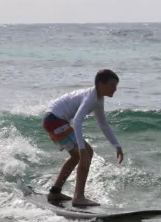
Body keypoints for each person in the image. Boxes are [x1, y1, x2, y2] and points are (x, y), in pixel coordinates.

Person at [41, 69, 124, 207]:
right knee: (87, 152)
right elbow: (77, 121)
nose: (115, 89)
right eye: (112, 85)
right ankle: (78, 197)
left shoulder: (98, 99)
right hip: (55, 120)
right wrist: (82, 149)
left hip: (52, 120)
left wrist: (117, 145)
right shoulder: (90, 97)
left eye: (116, 85)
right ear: (100, 83)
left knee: (76, 156)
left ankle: (55, 191)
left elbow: (103, 124)